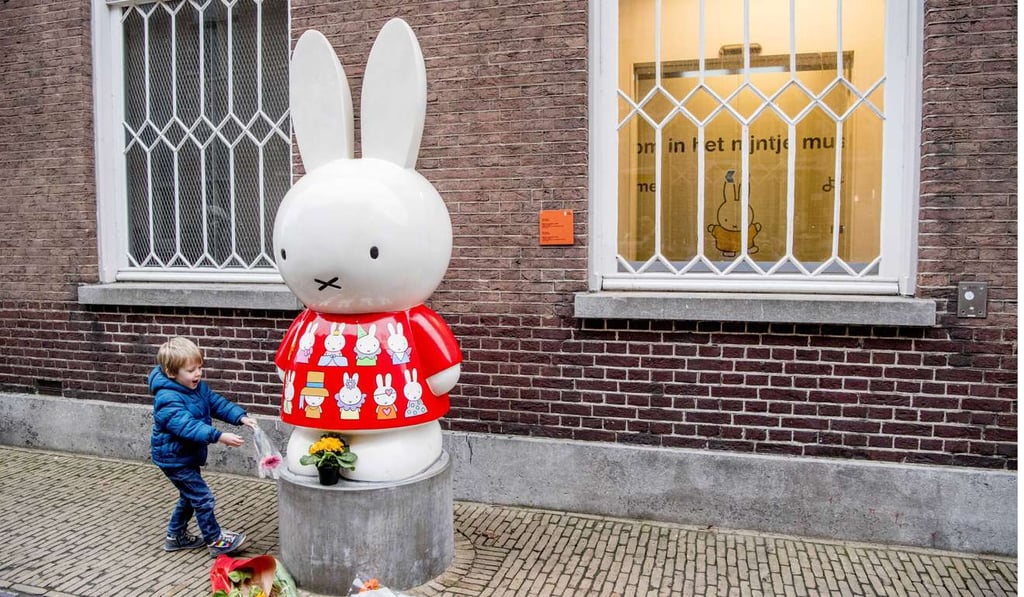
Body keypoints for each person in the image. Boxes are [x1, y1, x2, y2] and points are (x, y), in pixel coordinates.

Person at [148, 336, 257, 557]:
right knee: (203, 497)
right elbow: (187, 427)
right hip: (173, 458)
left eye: (199, 367)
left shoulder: (195, 388)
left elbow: (216, 403)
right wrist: (219, 436)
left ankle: (175, 536)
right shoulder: (167, 398)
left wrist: (240, 417)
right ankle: (214, 539)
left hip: (185, 456)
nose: (197, 373)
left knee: (190, 496)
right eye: (191, 370)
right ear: (172, 373)